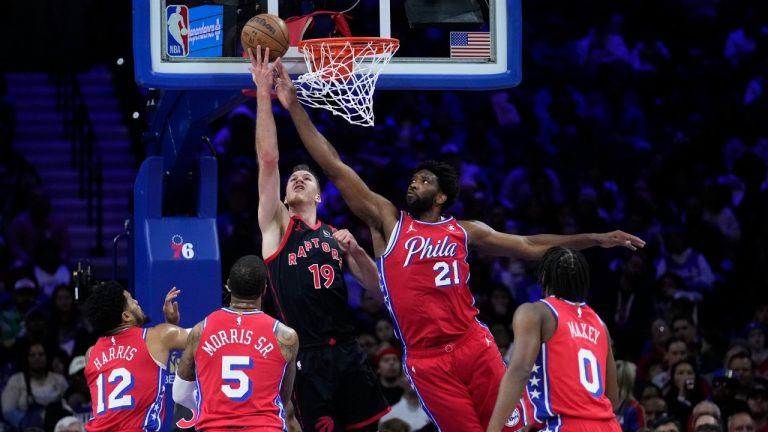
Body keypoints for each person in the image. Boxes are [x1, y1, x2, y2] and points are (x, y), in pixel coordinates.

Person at [265, 53, 645, 431]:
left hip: (473, 344)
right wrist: (294, 105)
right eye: (413, 179)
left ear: (442, 196)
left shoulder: (465, 230)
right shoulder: (388, 221)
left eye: (425, 181)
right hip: (427, 359)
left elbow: (529, 245)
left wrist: (595, 238)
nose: (414, 184)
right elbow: (334, 166)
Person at [249, 47, 390, 432]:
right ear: (283, 197)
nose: (298, 177)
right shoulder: (277, 226)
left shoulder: (335, 236)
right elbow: (268, 159)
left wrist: (357, 251)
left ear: (318, 198)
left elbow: (378, 292)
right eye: (293, 178)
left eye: (307, 178)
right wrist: (264, 92)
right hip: (307, 358)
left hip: (348, 351)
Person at [487, 247, 621, 431]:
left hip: (564, 425)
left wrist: (493, 429)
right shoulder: (600, 325)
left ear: (544, 277)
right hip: (607, 426)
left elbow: (520, 372)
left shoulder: (535, 312)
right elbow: (612, 398)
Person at [172, 255, 299, 431]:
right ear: (264, 289)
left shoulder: (200, 330)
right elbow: (283, 400)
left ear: (229, 285)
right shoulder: (285, 336)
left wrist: (213, 404)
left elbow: (180, 395)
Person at [82, 283, 188, 432]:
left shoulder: (91, 354)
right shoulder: (156, 337)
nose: (136, 302)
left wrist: (170, 327)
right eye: (131, 300)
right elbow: (203, 338)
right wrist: (171, 328)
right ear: (126, 316)